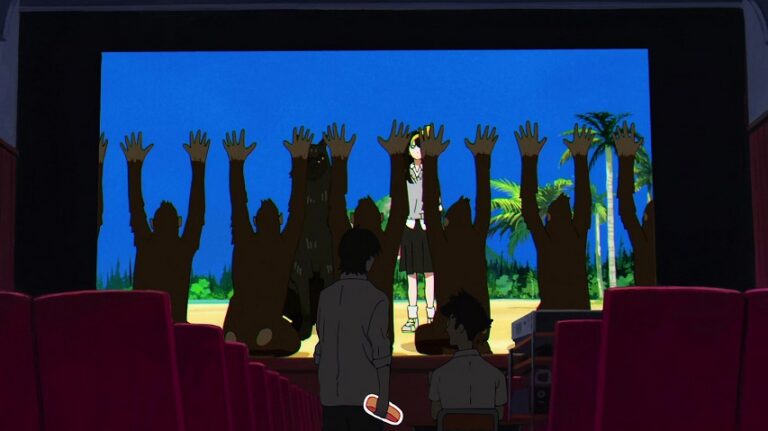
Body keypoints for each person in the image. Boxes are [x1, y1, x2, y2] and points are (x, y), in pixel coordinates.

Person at [314, 227, 392, 430]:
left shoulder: (326, 297)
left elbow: (321, 346)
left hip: (330, 396)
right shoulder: (377, 299)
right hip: (364, 397)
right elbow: (381, 354)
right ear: (368, 259)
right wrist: (384, 398)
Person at [428, 290, 507, 420]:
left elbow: (435, 415)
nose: (447, 327)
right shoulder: (497, 376)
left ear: (461, 328)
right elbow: (499, 415)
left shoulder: (439, 375)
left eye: (450, 320)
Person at [400, 128, 439, 333]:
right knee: (412, 276)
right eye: (414, 146)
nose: (418, 150)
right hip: (409, 227)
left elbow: (437, 201)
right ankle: (412, 317)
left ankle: (432, 315)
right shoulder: (404, 174)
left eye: (421, 147)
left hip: (427, 226)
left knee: (430, 274)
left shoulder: (430, 173)